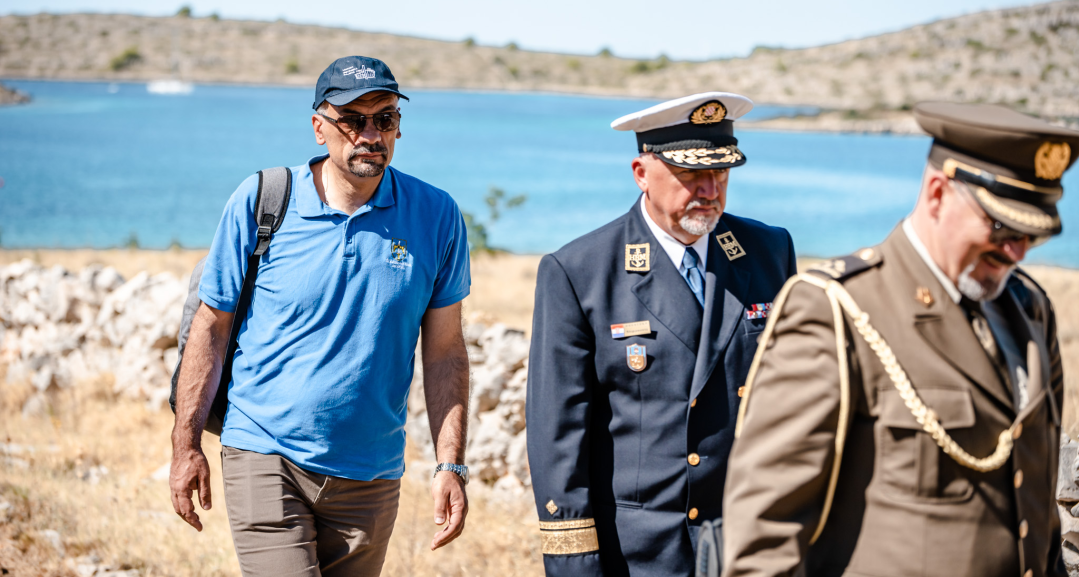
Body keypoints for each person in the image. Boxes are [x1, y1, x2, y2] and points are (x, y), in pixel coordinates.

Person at [723, 102, 1078, 577]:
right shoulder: (835, 310)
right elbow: (764, 543)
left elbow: (1037, 521)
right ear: (937, 194)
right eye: (1001, 226)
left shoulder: (1029, 309)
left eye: (1031, 235)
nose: (1016, 252)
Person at [170, 56, 473, 576]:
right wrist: (186, 445)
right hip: (265, 452)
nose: (370, 135)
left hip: (372, 473)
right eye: (353, 120)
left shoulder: (437, 215)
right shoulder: (263, 201)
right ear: (319, 128)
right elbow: (210, 327)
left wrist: (451, 465)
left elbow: (445, 351)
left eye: (385, 118)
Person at [527, 92, 798, 577]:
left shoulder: (768, 251)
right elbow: (559, 435)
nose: (710, 190)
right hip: (640, 551)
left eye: (721, 173)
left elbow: (792, 396)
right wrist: (575, 563)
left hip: (749, 539)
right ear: (641, 173)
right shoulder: (581, 271)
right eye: (691, 174)